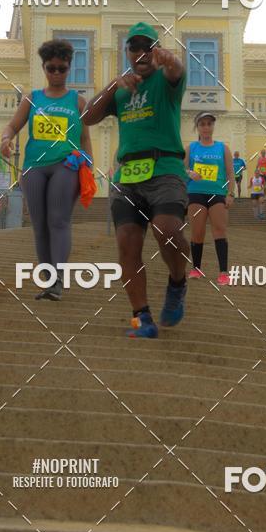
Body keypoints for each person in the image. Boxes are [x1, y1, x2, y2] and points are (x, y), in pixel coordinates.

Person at [82, 22, 189, 338]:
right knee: (127, 246)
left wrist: (172, 61)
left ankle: (178, 282)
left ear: (156, 50)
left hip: (165, 168)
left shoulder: (165, 80)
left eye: (148, 46)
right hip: (127, 175)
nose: (141, 53)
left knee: (166, 230)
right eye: (134, 47)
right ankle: (141, 318)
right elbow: (87, 117)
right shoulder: (122, 88)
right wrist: (113, 85)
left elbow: (177, 72)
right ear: (126, 52)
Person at [0, 38, 93, 301]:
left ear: (68, 68)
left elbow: (85, 138)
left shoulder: (79, 102)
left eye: (61, 68)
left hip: (66, 165)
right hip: (34, 167)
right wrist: (5, 139)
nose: (56, 73)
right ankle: (49, 281)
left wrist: (88, 165)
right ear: (44, 68)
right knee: (39, 225)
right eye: (51, 68)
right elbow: (12, 126)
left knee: (58, 220)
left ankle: (58, 281)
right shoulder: (32, 99)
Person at [186, 113, 235, 285]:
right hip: (196, 193)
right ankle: (196, 268)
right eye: (202, 124)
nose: (206, 127)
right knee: (197, 232)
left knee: (219, 231)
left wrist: (230, 193)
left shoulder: (223, 148)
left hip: (217, 194)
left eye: (209, 124)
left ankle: (223, 272)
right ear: (197, 127)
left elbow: (230, 173)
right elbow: (180, 169)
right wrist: (189, 173)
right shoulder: (191, 148)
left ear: (213, 127)